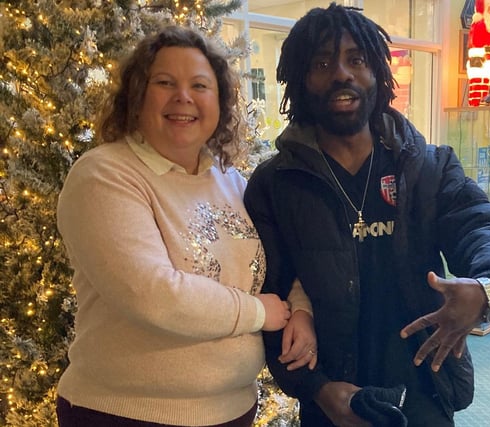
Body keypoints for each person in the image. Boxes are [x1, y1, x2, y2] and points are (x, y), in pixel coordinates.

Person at [243, 3, 490, 427]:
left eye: (356, 59)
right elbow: (270, 295)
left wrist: (489, 286)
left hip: (425, 387)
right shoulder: (274, 184)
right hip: (333, 401)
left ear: (378, 71)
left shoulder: (430, 166)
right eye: (322, 63)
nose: (342, 74)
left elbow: (480, 227)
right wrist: (317, 389)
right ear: (301, 79)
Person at [55, 25, 316, 427]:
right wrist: (256, 312)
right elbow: (152, 294)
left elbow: (279, 255)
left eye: (200, 85)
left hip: (233, 410)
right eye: (164, 82)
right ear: (137, 96)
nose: (183, 97)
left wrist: (299, 307)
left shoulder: (230, 181)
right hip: (127, 414)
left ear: (220, 101)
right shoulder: (104, 175)